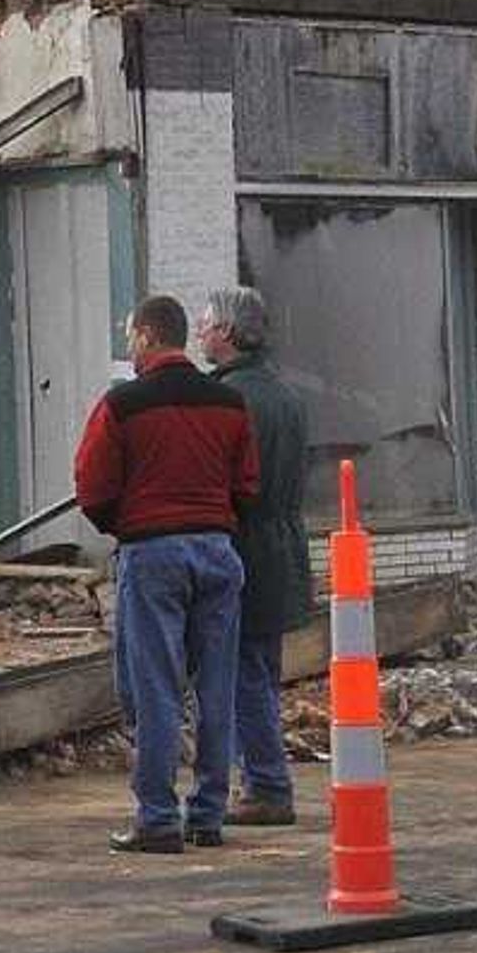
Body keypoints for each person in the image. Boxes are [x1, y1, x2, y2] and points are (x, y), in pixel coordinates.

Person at [73, 293, 258, 852]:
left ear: (149, 337)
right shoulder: (228, 402)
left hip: (152, 552)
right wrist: (214, 521)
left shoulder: (123, 404)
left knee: (154, 688)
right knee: (216, 686)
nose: (130, 346)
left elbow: (93, 485)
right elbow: (247, 484)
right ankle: (208, 813)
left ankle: (157, 816)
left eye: (132, 336)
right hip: (219, 550)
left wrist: (126, 526)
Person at [197, 284, 314, 827]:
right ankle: (265, 778)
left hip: (246, 544)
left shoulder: (230, 399)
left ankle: (266, 783)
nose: (199, 333)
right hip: (283, 546)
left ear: (225, 332)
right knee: (261, 669)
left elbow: (233, 483)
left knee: (243, 673)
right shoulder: (286, 395)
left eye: (204, 325)